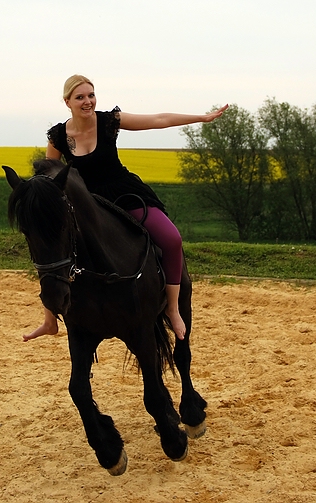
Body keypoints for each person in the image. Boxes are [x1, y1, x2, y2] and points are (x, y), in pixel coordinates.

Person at [23, 74, 228, 342]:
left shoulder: (109, 121)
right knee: (50, 248)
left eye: (91, 95)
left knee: (171, 239)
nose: (88, 101)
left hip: (125, 194)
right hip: (88, 207)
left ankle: (173, 309)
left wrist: (201, 118)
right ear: (67, 102)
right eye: (80, 97)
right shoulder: (59, 136)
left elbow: (158, 120)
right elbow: (49, 176)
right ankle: (50, 320)